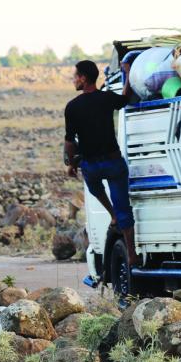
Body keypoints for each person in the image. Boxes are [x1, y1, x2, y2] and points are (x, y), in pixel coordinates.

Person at [64, 59, 139, 265]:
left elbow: (69, 141)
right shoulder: (106, 99)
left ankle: (111, 214)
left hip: (91, 165)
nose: (74, 80)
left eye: (75, 76)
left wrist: (71, 164)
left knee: (94, 187)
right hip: (114, 163)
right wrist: (129, 73)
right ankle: (131, 253)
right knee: (124, 207)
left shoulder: (72, 107)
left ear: (84, 78)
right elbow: (125, 98)